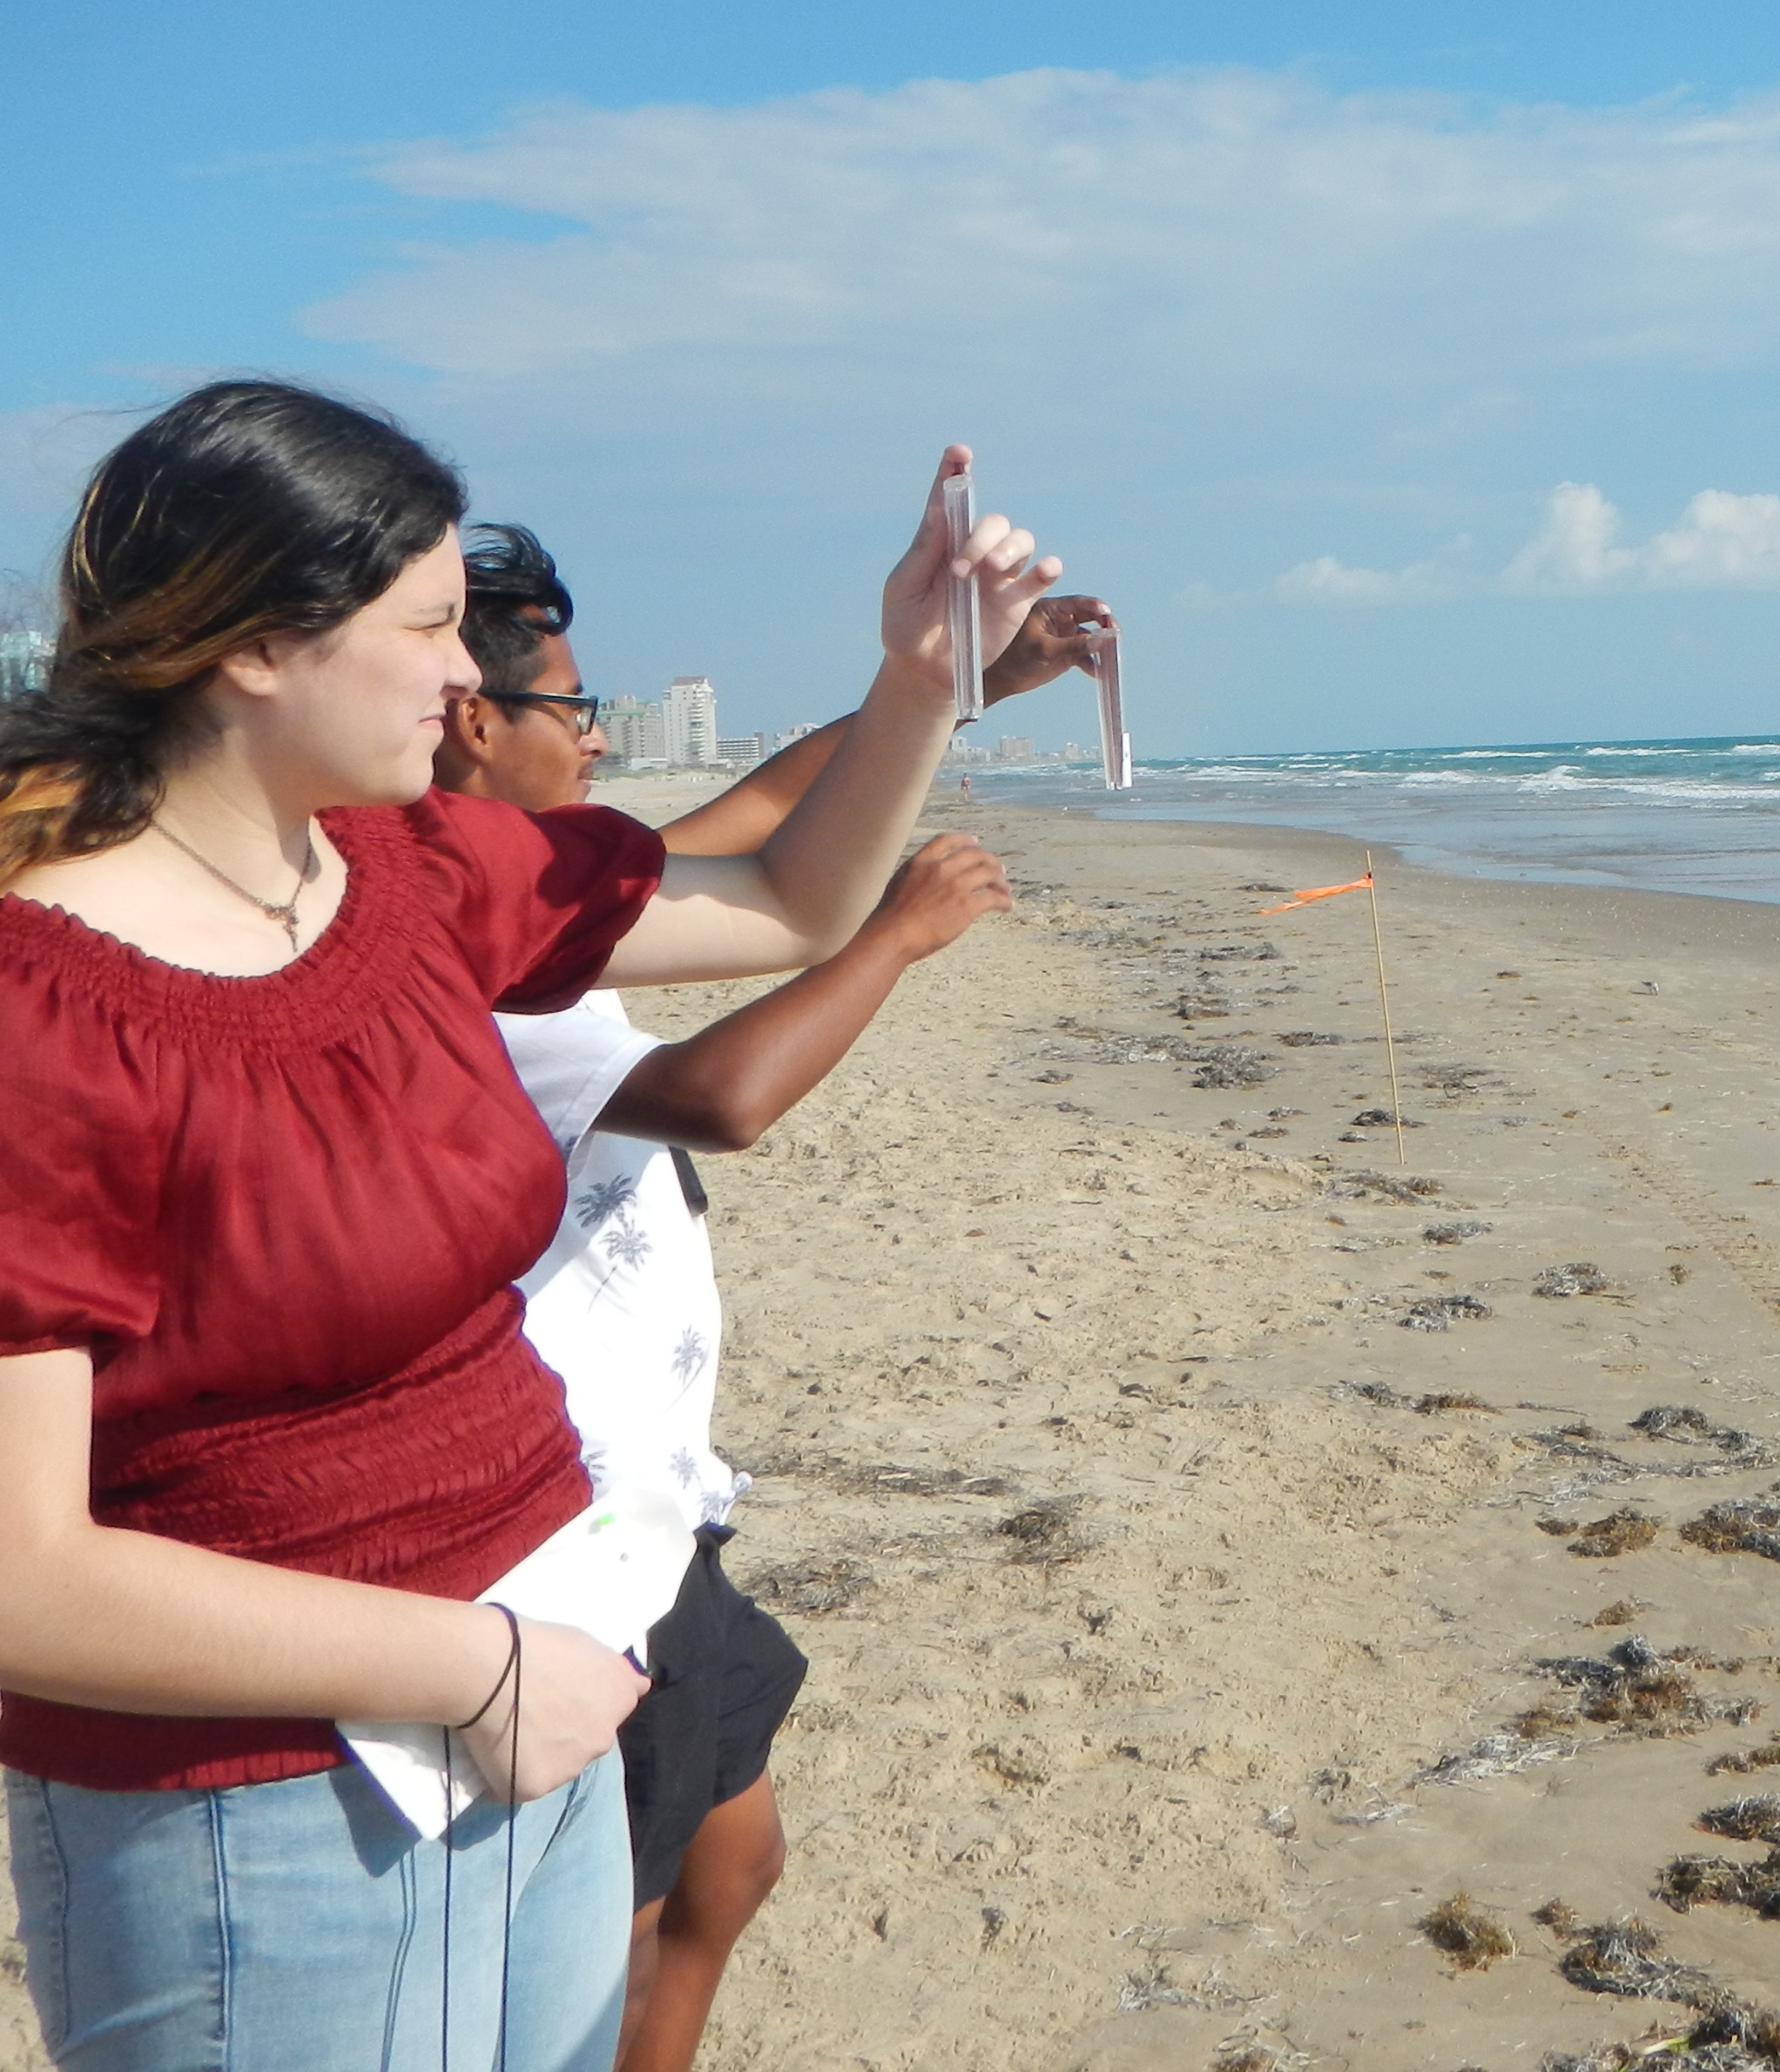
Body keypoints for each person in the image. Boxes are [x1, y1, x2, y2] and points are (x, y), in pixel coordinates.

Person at [0, 382, 1056, 2071]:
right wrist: (472, 1668)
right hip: (260, 1815)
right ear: (259, 647)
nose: (464, 678)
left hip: (549, 1682)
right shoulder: (42, 1012)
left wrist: (922, 680)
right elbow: (20, 1579)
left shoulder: (404, 872)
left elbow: (790, 901)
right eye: (428, 627)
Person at [435, 528, 1109, 2071]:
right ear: (474, 723)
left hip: (669, 1503)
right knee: (610, 1914)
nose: (598, 737)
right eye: (574, 708)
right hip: (577, 1532)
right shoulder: (461, 963)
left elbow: (761, 811)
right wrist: (896, 938)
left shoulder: (542, 894)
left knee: (732, 1860)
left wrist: (969, 685)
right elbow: (717, 1096)